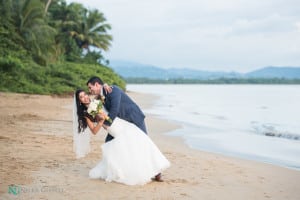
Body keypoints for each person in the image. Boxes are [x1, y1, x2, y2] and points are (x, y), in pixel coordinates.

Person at [74, 89, 170, 185]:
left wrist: (105, 85)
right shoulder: (86, 114)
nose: (85, 97)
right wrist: (100, 122)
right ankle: (133, 171)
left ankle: (155, 170)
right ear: (80, 101)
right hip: (112, 129)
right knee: (126, 147)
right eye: (81, 97)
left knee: (140, 140)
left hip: (122, 123)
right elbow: (94, 131)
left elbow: (105, 93)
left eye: (85, 94)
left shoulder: (97, 99)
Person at [86, 76, 147, 143]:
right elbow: (94, 109)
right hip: (121, 122)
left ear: (96, 84)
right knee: (109, 142)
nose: (89, 90)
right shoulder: (99, 96)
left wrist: (106, 124)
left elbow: (114, 109)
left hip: (134, 118)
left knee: (144, 140)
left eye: (90, 87)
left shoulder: (113, 90)